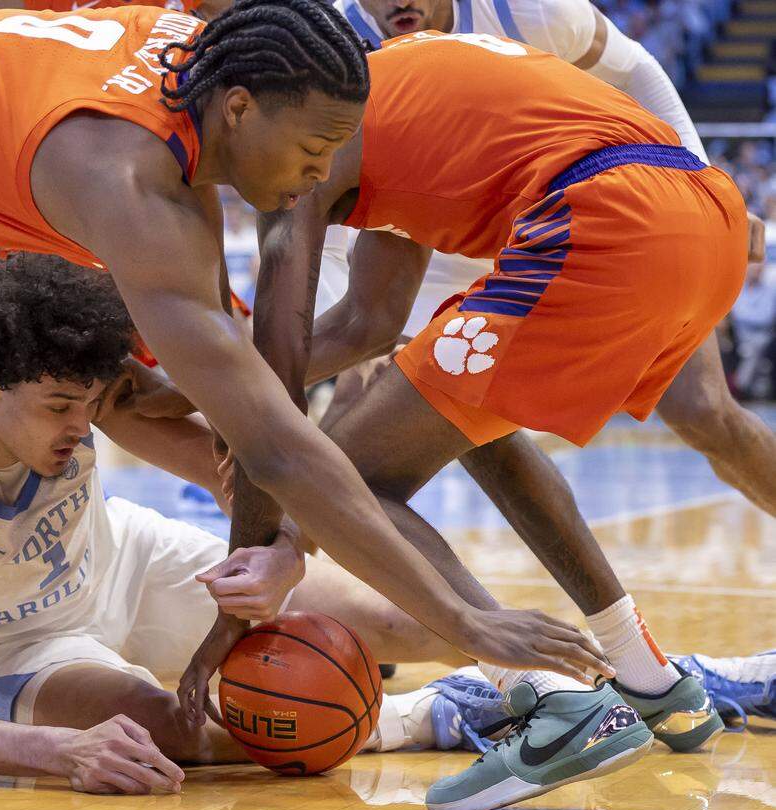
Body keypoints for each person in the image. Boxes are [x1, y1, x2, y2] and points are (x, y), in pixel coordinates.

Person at [0, 0, 605, 716]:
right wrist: (464, 619)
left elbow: (255, 413)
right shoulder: (138, 191)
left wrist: (261, 561)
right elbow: (275, 442)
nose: (322, 178)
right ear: (239, 109)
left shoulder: (199, 62)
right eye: (313, 151)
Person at [231, 31, 747, 810]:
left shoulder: (308, 131)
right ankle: (649, 679)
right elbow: (367, 324)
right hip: (705, 217)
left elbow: (277, 355)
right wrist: (196, 392)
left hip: (604, 216)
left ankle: (550, 699)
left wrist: (259, 557)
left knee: (343, 480)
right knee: (467, 418)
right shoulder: (398, 95)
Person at [0, 251, 495, 793]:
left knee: (407, 618)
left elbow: (251, 473)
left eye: (90, 404)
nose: (82, 426)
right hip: (12, 648)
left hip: (125, 560)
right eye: (59, 409)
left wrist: (284, 551)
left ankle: (545, 686)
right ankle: (422, 715)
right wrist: (62, 751)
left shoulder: (71, 384)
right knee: (164, 731)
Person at [329, 0, 776, 516]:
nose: (400, 2)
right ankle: (284, 557)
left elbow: (637, 67)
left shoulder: (529, 9)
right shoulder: (335, 40)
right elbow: (327, 230)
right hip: (448, 230)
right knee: (367, 399)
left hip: (584, 214)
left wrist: (703, 174)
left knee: (705, 412)